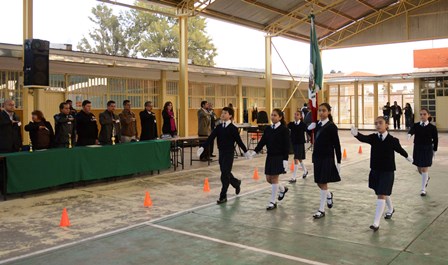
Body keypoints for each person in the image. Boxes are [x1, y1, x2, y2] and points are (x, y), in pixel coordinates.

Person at [351, 117, 412, 231]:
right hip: (375, 170)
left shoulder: (393, 140)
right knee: (382, 192)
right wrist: (356, 134)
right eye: (376, 123)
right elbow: (363, 138)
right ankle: (391, 209)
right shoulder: (373, 138)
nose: (378, 125)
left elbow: (400, 150)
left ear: (387, 125)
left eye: (380, 123)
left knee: (381, 193)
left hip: (387, 171)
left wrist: (409, 158)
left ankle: (376, 223)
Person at [197, 107, 250, 204]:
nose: (222, 114)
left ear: (230, 116)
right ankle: (236, 183)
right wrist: (203, 147)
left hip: (229, 153)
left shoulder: (233, 129)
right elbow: (210, 138)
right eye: (222, 113)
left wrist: (246, 151)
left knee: (224, 174)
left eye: (225, 113)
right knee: (225, 172)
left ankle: (223, 196)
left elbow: (239, 141)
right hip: (221, 153)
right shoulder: (219, 128)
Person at [251, 109, 290, 210]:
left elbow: (286, 145)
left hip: (279, 156)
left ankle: (273, 201)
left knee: (274, 179)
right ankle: (282, 189)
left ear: (280, 117)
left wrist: (285, 159)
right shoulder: (268, 129)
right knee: (269, 179)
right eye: (272, 115)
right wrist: (255, 151)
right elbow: (263, 141)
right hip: (270, 156)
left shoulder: (284, 129)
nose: (273, 117)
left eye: (275, 115)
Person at [307, 103, 341, 219]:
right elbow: (313, 138)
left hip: (327, 157)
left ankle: (321, 210)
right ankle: (328, 195)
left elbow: (337, 145)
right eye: (320, 111)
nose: (321, 113)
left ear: (328, 112)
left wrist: (339, 161)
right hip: (317, 157)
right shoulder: (317, 124)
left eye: (324, 110)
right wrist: (308, 129)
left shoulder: (332, 127)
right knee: (319, 182)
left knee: (323, 182)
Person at [407, 108, 438, 196]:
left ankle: (423, 189)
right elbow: (412, 130)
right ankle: (426, 178)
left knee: (424, 168)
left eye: (424, 114)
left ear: (428, 115)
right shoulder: (416, 125)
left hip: (427, 148)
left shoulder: (432, 127)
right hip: (417, 148)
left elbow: (435, 139)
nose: (422, 116)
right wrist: (409, 134)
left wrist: (435, 149)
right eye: (421, 114)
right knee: (419, 168)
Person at [287, 111, 308, 183]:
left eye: (297, 115)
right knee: (299, 158)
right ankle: (305, 171)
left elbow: (308, 131)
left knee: (296, 158)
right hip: (293, 143)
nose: (295, 116)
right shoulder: (291, 124)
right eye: (295, 114)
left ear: (300, 117)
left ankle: (294, 177)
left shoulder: (303, 125)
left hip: (300, 143)